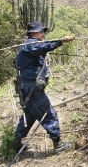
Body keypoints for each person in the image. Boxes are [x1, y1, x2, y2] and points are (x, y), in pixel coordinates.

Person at [14, 21, 74, 153]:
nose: (43, 34)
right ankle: (59, 145)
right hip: (33, 90)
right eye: (42, 32)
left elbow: (40, 50)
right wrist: (60, 41)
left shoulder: (29, 46)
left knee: (29, 116)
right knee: (49, 113)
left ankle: (17, 144)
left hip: (27, 89)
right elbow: (42, 48)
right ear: (34, 33)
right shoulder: (31, 44)